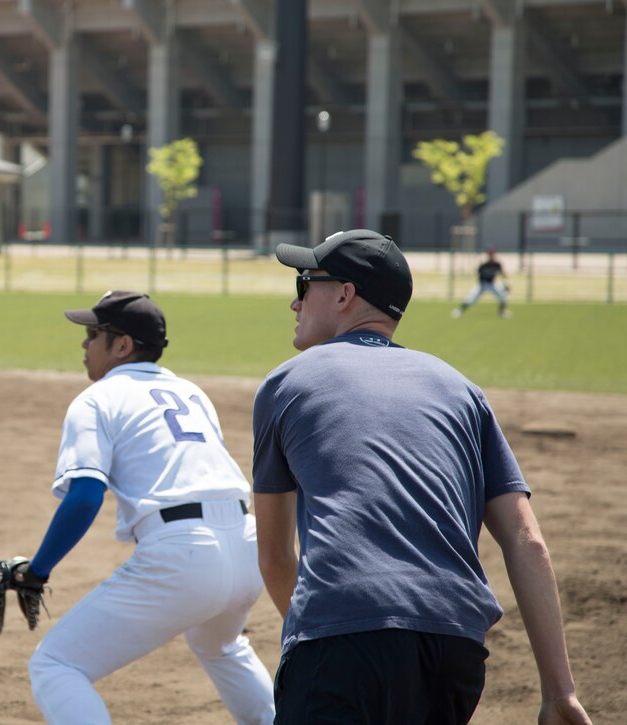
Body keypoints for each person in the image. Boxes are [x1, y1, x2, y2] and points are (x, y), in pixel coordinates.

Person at [251, 229, 590, 724]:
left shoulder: (287, 382)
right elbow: (527, 541)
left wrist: (319, 634)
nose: (295, 302)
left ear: (345, 295)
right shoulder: (462, 389)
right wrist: (560, 692)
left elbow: (276, 557)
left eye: (304, 283)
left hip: (340, 637)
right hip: (454, 644)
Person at [15, 290, 275, 724]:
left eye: (93, 334)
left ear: (122, 345)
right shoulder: (191, 392)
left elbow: (85, 496)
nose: (84, 343)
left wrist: (38, 570)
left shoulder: (97, 399)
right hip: (248, 547)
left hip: (183, 554)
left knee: (56, 665)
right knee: (221, 645)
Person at [454, 246, 511, 318]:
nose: (491, 255)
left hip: (492, 284)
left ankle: (501, 312)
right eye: (490, 253)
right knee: (471, 298)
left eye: (492, 253)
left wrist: (506, 283)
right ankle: (460, 310)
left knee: (503, 296)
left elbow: (502, 274)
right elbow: (478, 274)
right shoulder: (483, 264)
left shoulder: (497, 264)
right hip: (482, 285)